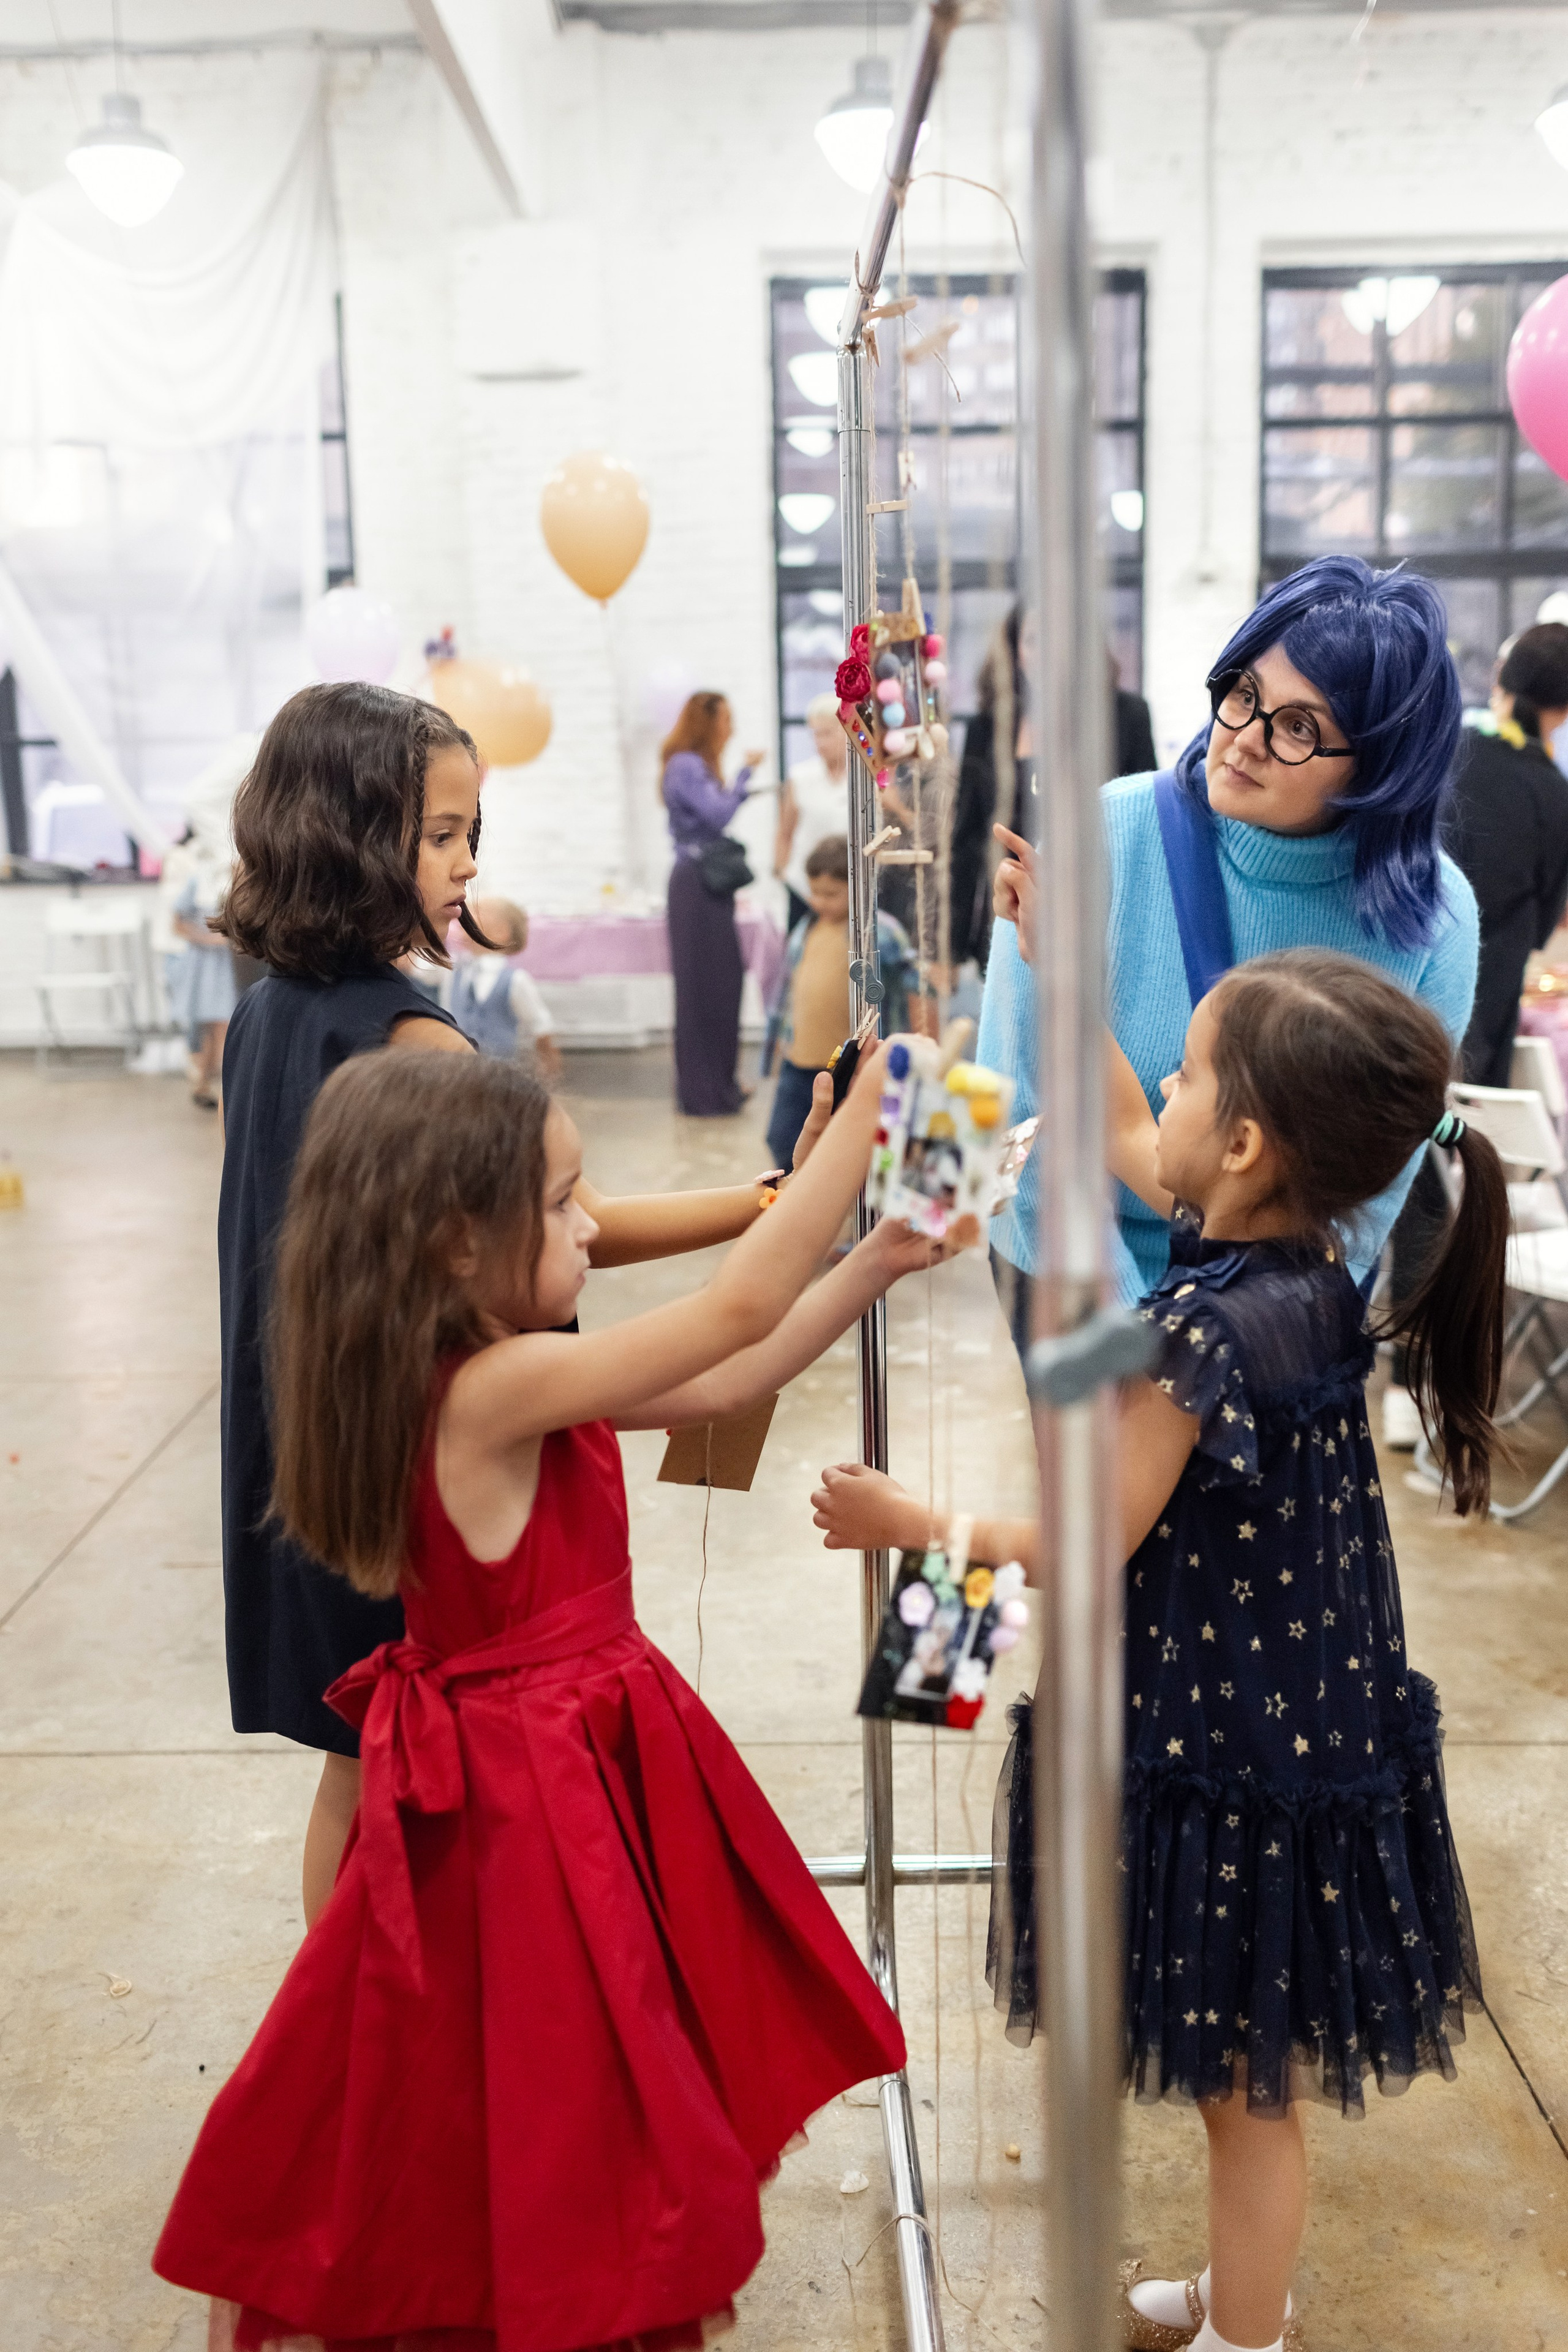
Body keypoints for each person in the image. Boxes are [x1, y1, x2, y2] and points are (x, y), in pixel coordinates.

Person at [153, 1040, 958, 2350]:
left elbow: (721, 1382)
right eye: (565, 1204)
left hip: (566, 1756)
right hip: (531, 1801)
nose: (592, 1228)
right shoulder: (491, 1390)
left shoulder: (494, 1362)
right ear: (456, 1243)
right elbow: (731, 1318)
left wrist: (865, 1265)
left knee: (532, 2081)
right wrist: (873, 1121)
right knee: (565, 2081)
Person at [812, 948, 1506, 2352]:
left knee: (1245, 2084)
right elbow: (1131, 1135)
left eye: (1186, 1072)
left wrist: (910, 1518)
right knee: (1249, 2069)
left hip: (1230, 1741)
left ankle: (1244, 2334)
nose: (1158, 1098)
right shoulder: (1296, 1263)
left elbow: (1086, 1535)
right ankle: (1241, 2291)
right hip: (1290, 1719)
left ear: (1244, 1144)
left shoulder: (1203, 1325)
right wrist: (1047, 955)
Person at [214, 682, 828, 1928]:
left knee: (358, 1765)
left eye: (469, 833)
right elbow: (582, 1226)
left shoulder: (267, 1013)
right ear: (344, 827)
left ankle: (343, 2014)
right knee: (399, 1760)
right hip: (407, 1457)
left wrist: (768, 1200)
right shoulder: (408, 1041)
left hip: (304, 1426)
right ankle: (367, 2012)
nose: (462, 864)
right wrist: (780, 1201)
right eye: (438, 833)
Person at [979, 556, 1480, 1358]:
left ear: (1381, 763)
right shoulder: (1102, 838)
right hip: (1080, 1284)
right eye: (1242, 694)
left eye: (1297, 727)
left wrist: (1236, 1336)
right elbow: (1025, 1107)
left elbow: (1370, 1193)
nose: (1242, 739)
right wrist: (1136, 1336)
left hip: (1277, 1315)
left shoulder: (1433, 920)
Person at [1381, 622, 1568, 1447]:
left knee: (1368, 1174)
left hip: (1380, 995)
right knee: (1429, 1185)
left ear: (1501, 676)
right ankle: (1410, 1385)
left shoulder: (1445, 750)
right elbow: (1553, 916)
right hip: (1469, 1030)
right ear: (1562, 711)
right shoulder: (1555, 795)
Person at [762, 833, 916, 1169]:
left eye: (830, 894)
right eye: (813, 892)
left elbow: (913, 983)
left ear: (859, 887)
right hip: (799, 1063)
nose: (818, 902)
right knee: (781, 1138)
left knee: (850, 1149)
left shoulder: (881, 933)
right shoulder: (805, 929)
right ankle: (796, 1205)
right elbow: (786, 992)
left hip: (846, 1069)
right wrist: (775, 1044)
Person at [662, 690, 764, 1117]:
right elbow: (717, 814)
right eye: (726, 720)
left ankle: (719, 1086)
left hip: (705, 886)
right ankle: (704, 1095)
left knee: (721, 988)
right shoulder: (685, 765)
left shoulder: (691, 766)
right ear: (708, 723)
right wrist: (744, 776)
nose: (732, 729)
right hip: (695, 886)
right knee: (703, 991)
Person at [448, 893, 562, 1077]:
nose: (464, 915)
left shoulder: (516, 980)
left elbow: (541, 1025)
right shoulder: (453, 970)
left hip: (501, 1075)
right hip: (457, 1071)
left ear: (502, 931)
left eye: (476, 912)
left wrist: (550, 1069)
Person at [168, 819, 239, 1110]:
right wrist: (211, 941)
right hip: (203, 964)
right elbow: (177, 925)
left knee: (220, 1027)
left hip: (222, 965)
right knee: (215, 1027)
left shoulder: (227, 881)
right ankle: (220, 1091)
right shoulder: (198, 882)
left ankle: (206, 1086)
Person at [774, 691, 850, 932]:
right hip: (805, 890)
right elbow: (785, 832)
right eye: (816, 734)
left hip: (850, 891)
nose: (820, 742)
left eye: (827, 733)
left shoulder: (863, 780)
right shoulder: (800, 777)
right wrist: (784, 874)